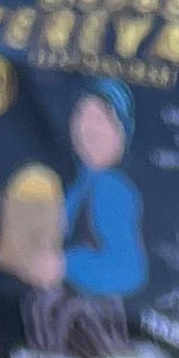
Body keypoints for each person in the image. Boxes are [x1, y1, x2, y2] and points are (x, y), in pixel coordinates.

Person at [62, 82, 148, 306]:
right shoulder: (81, 184)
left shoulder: (112, 188)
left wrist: (63, 264)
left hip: (95, 324)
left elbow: (128, 271)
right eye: (81, 114)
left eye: (100, 118)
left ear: (121, 131)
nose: (86, 127)